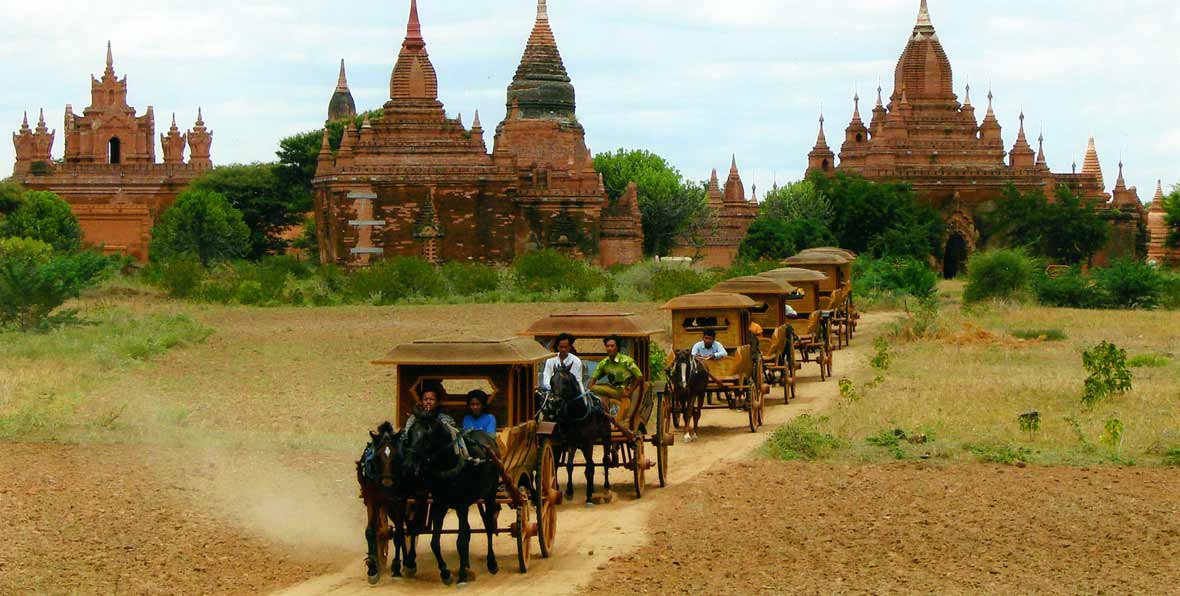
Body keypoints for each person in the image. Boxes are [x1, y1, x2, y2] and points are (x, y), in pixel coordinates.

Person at [588, 335, 644, 419]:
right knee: (593, 390)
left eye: (612, 346)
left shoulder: (626, 361)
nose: (609, 348)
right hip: (612, 390)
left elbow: (639, 377)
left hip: (623, 392)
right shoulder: (604, 363)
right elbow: (592, 382)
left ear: (617, 347)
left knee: (593, 388)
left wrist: (630, 391)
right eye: (607, 346)